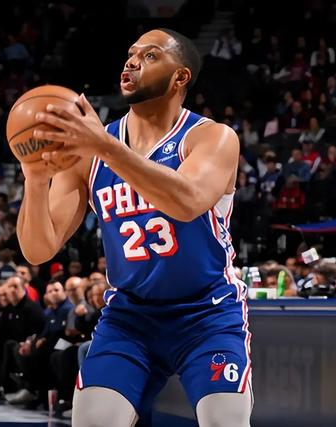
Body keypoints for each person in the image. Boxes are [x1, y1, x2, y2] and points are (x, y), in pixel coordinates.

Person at [18, 29, 252, 426]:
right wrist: (35, 179)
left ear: (180, 77)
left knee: (224, 422)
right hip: (130, 317)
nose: (132, 61)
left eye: (150, 55)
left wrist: (105, 148)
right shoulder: (91, 151)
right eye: (131, 53)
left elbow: (186, 202)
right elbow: (38, 250)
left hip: (207, 312)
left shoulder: (212, 137)